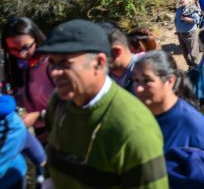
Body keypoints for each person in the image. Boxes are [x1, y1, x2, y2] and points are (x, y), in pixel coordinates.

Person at [39, 19, 168, 188]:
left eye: (65, 63)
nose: (54, 72)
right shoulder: (59, 102)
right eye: (52, 62)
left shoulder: (133, 127)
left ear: (99, 63)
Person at [132, 51, 204, 188]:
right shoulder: (138, 118)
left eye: (147, 80)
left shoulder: (195, 125)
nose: (139, 88)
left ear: (170, 81)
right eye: (135, 80)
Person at [1, 17, 54, 141]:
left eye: (26, 47)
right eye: (14, 49)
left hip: (64, 128)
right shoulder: (16, 67)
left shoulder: (53, 64)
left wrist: (38, 116)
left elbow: (71, 104)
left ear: (37, 39)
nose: (21, 54)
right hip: (40, 133)